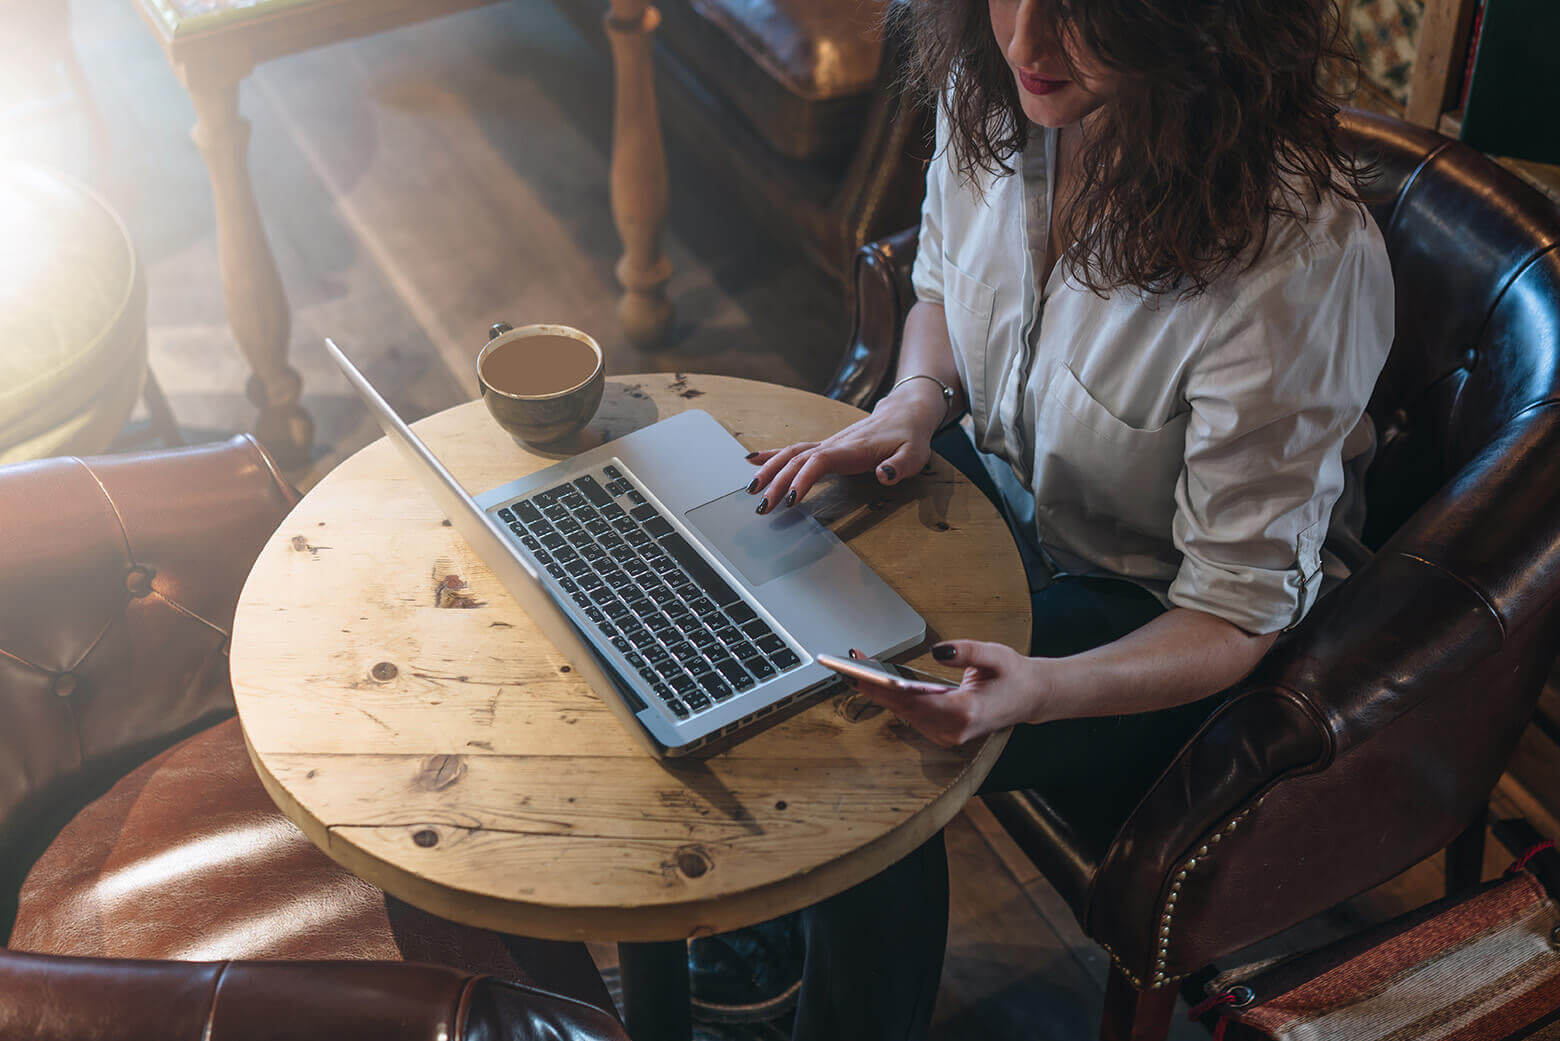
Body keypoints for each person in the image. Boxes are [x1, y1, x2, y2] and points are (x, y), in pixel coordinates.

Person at [690, 0, 1396, 1037]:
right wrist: (912, 404)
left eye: (1085, 12)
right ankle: (790, 943)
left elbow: (1236, 614)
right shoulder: (994, 89)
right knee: (757, 584)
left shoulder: (1293, 261)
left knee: (871, 765)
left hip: (1159, 616)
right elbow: (937, 284)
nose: (1027, 42)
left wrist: (1040, 690)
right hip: (1013, 500)